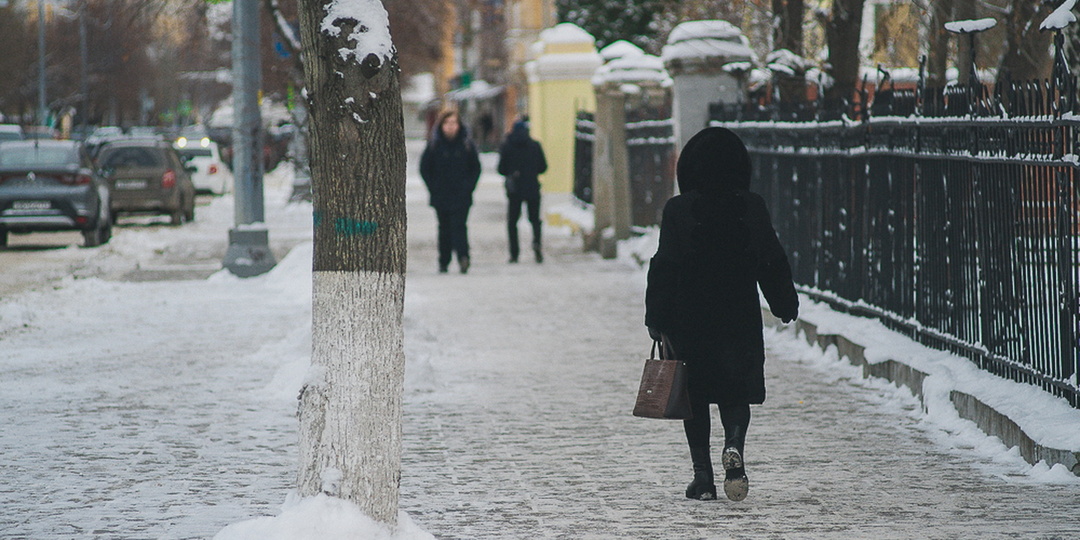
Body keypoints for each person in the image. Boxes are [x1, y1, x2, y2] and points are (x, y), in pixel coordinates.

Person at [644, 127, 799, 502]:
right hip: (738, 314)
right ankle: (734, 446)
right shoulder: (751, 206)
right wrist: (784, 303)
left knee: (693, 396)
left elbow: (664, 265)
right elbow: (770, 258)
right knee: (734, 391)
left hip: (689, 317)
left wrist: (656, 317)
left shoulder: (678, 210)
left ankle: (703, 478)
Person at [420, 110, 482, 273]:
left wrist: (469, 186)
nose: (450, 127)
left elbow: (475, 168)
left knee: (460, 226)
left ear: (459, 125)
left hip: (461, 194)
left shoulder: (466, 144)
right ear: (441, 125)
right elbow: (425, 168)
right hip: (441, 194)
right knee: (444, 228)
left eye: (454, 123)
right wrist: (433, 186)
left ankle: (463, 257)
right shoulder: (434, 145)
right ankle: (444, 260)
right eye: (447, 123)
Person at [496, 118, 548, 263]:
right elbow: (543, 167)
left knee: (512, 222)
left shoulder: (507, 146)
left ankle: (514, 253)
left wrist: (512, 172)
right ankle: (537, 244)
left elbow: (501, 169)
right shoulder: (535, 146)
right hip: (532, 187)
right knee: (535, 220)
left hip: (514, 189)